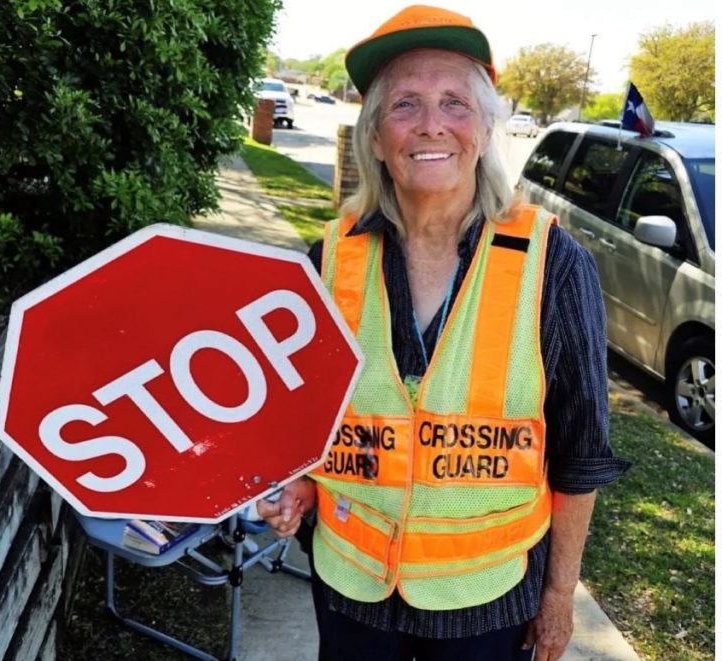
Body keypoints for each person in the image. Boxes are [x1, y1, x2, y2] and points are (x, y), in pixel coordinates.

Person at [258, 5, 630, 660]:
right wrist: (305, 482)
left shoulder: (554, 264)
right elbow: (310, 417)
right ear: (375, 138)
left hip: (489, 601)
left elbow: (581, 450)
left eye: (455, 102)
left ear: (486, 129)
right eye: (404, 104)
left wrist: (558, 597)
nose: (431, 124)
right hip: (352, 589)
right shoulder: (332, 258)